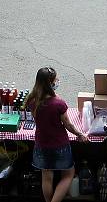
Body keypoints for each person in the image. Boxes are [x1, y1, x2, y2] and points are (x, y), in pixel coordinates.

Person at [28, 67, 89, 202]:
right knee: (68, 174)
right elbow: (68, 125)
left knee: (47, 176)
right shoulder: (58, 104)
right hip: (59, 145)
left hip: (41, 144)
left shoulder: (32, 101)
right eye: (56, 80)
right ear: (50, 83)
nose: (58, 81)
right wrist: (80, 134)